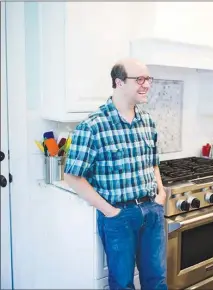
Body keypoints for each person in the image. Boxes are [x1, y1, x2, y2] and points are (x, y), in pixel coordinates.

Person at [64, 58, 167, 289]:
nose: (147, 85)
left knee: (157, 281)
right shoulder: (92, 126)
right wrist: (109, 211)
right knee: (122, 284)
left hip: (152, 211)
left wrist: (160, 194)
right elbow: (71, 176)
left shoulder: (147, 122)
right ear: (119, 82)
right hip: (119, 216)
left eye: (148, 79)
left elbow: (153, 163)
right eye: (139, 79)